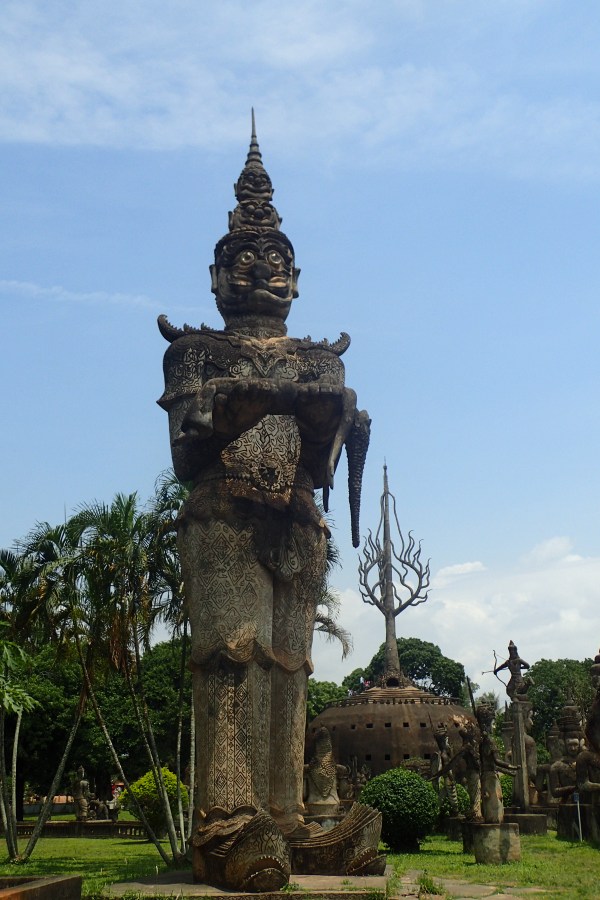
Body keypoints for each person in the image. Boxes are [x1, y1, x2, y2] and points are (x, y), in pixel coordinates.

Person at [158, 121, 370, 889]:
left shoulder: (318, 360)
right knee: (231, 655)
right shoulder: (195, 353)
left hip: (298, 518)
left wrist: (339, 421)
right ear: (218, 277)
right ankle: (226, 822)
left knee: (290, 666)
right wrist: (249, 401)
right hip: (223, 513)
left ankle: (285, 817)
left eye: (275, 263)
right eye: (245, 262)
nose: (261, 272)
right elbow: (187, 451)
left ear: (296, 277)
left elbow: (322, 454)